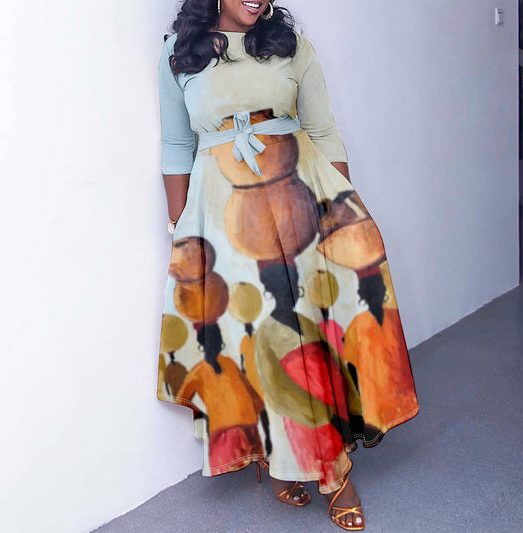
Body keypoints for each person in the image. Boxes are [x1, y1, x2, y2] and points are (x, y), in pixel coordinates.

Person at [156, 1, 420, 530]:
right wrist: (179, 229)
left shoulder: (291, 45)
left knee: (306, 335)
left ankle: (335, 473)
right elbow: (176, 144)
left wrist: (342, 210)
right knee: (253, 338)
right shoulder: (178, 53)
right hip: (223, 216)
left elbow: (323, 130)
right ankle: (277, 455)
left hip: (299, 200)